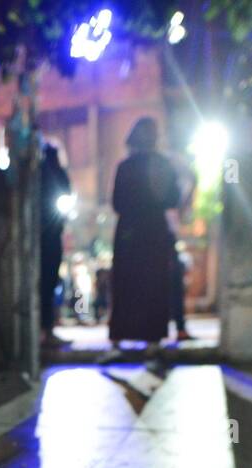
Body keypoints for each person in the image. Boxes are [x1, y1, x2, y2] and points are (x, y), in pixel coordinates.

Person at [110, 117, 180, 350]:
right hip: (153, 231)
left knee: (125, 284)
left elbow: (117, 203)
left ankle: (118, 341)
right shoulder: (163, 164)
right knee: (154, 284)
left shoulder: (125, 166)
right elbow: (173, 198)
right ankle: (153, 342)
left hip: (129, 232)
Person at [38, 142, 72, 346]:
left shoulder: (50, 175)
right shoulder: (48, 174)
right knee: (47, 282)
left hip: (49, 234)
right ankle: (45, 329)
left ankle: (46, 328)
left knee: (48, 282)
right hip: (47, 236)